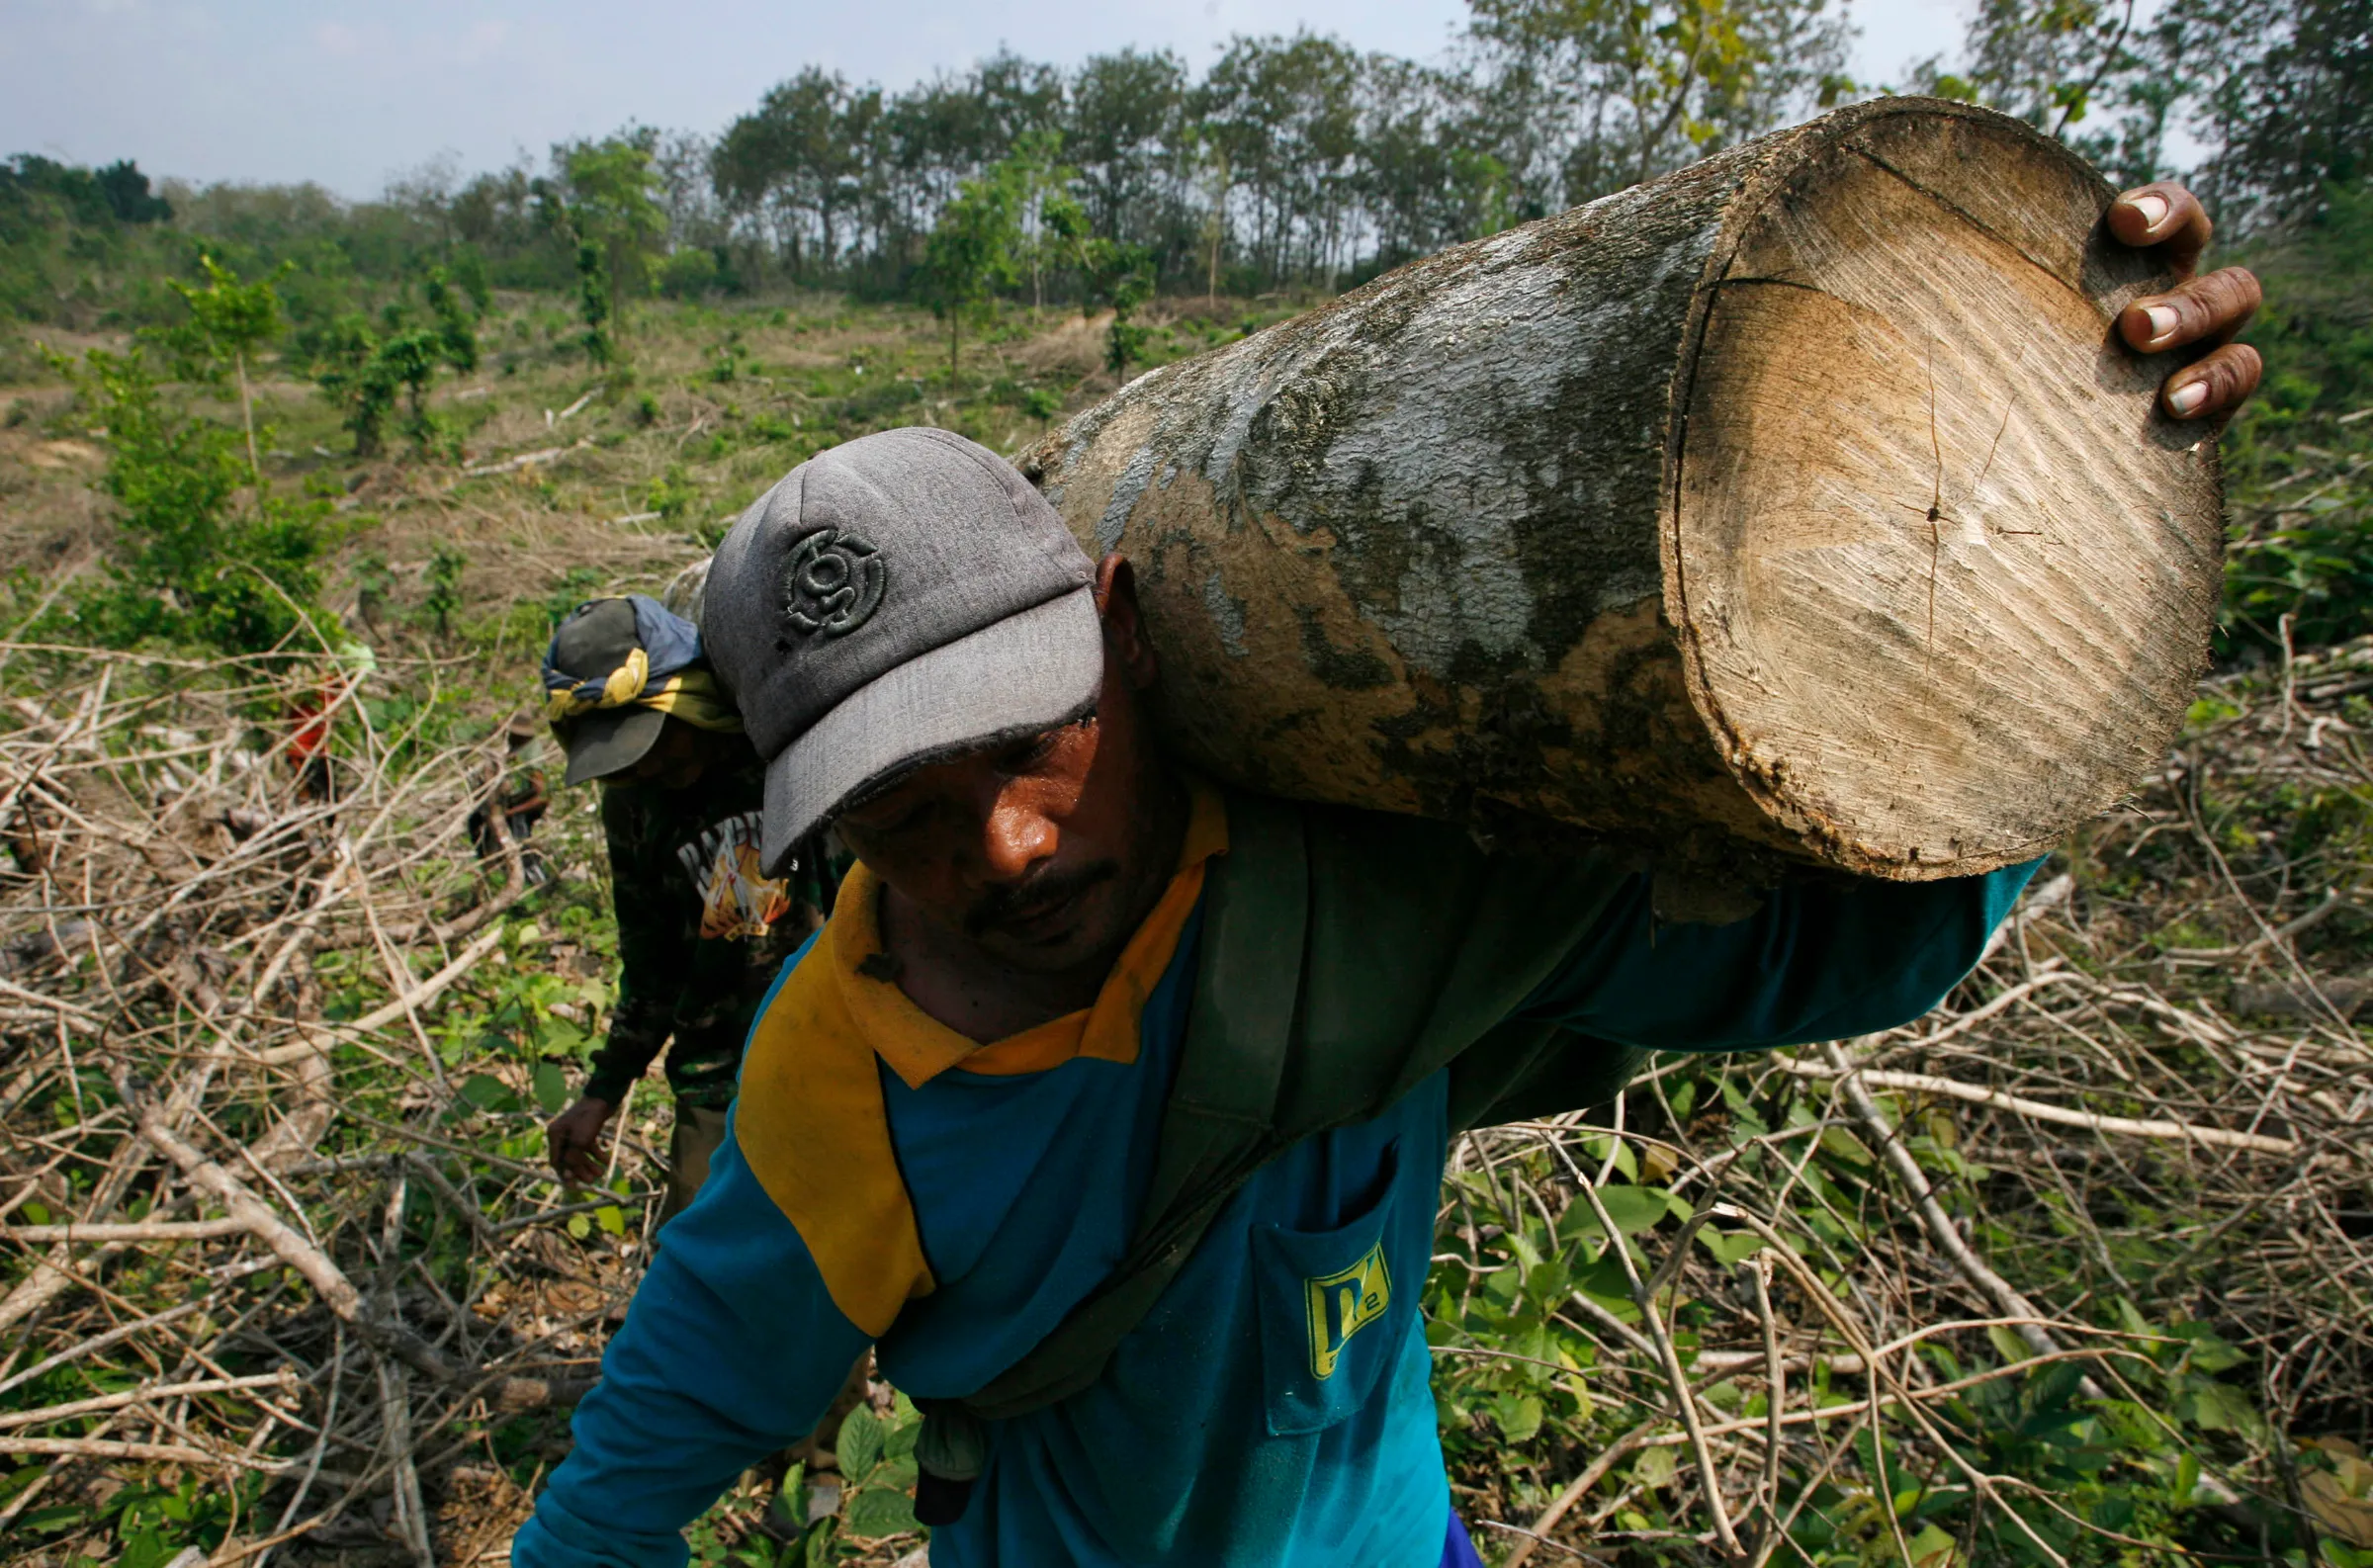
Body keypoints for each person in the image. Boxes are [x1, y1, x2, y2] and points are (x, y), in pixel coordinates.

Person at [512, 183, 2262, 1568]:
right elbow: (624, 1484)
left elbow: (1840, 958)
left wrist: (2079, 476)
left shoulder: (1353, 894)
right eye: (897, 812)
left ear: (1121, 632)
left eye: (1025, 738)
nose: (1007, 850)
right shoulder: (835, 1089)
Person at [538, 595, 840, 1225]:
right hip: (721, 1081)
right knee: (702, 1281)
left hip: (855, 1050)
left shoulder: (787, 746)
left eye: (655, 741)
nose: (648, 764)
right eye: (624, 759)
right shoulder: (635, 805)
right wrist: (603, 1091)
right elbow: (651, 964)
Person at [469, 713, 553, 887]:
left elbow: (542, 796)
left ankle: (539, 885)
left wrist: (511, 812)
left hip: (525, 806)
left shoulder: (531, 755)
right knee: (477, 822)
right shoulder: (518, 749)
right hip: (517, 800)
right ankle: (493, 876)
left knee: (522, 848)